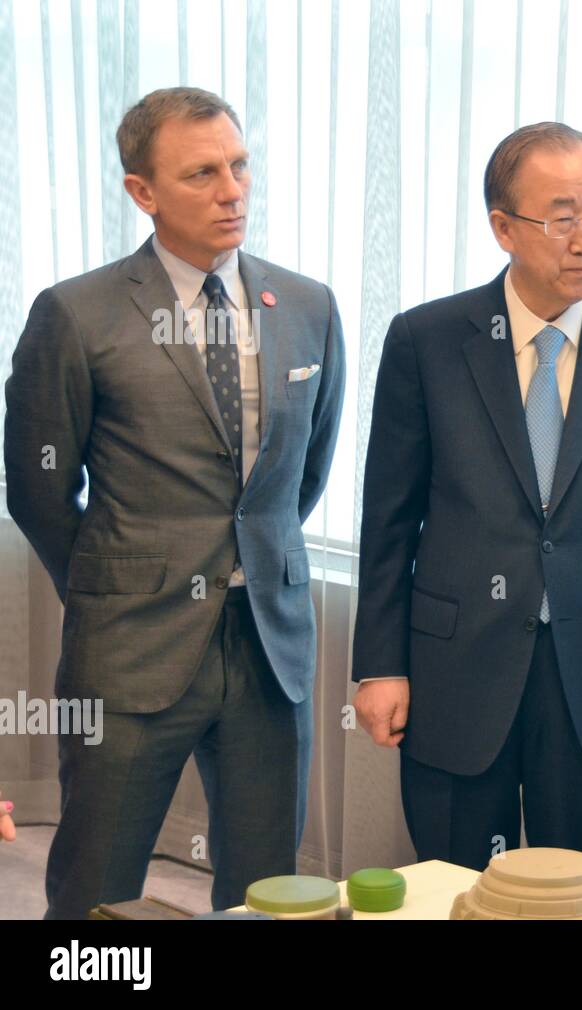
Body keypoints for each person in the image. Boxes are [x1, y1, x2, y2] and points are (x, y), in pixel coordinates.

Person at [3, 87, 345, 917]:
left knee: (272, 899)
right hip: (130, 649)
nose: (233, 190)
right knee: (97, 892)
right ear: (142, 192)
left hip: (271, 650)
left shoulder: (306, 307)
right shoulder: (77, 314)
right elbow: (39, 488)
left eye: (240, 165)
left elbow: (303, 475)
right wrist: (110, 579)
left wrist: (252, 561)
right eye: (202, 173)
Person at [351, 122, 582, 870]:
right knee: (454, 880)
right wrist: (379, 664)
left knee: (580, 885)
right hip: (457, 663)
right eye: (562, 217)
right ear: (504, 228)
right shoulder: (427, 340)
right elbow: (388, 520)